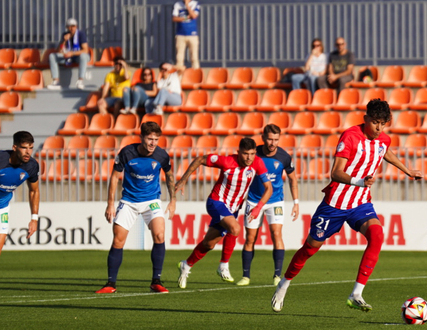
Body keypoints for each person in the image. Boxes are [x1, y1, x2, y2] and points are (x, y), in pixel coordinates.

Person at [271, 99, 423, 313]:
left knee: (377, 235)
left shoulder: (383, 139)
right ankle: (284, 284)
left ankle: (356, 293)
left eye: (383, 123)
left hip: (360, 203)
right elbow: (335, 173)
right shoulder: (350, 137)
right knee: (310, 249)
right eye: (375, 123)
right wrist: (360, 181)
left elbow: (384, 150)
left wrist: (406, 170)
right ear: (366, 119)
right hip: (334, 204)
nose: (379, 128)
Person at [174, 138, 272, 289]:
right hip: (216, 202)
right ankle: (223, 266)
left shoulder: (257, 163)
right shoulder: (226, 161)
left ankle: (186, 265)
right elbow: (200, 159)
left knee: (209, 244)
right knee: (235, 228)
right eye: (246, 154)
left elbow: (269, 188)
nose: (249, 158)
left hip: (232, 209)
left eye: (252, 154)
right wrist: (182, 180)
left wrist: (258, 207)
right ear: (239, 152)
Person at [96, 122, 176, 294]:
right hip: (129, 200)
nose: (153, 143)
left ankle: (156, 281)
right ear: (142, 138)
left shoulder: (161, 155)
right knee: (118, 239)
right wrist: (110, 203)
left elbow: (169, 175)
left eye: (156, 139)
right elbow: (114, 177)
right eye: (150, 139)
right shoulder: (127, 153)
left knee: (159, 235)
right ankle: (111, 284)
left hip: (151, 200)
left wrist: (173, 200)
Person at [219, 123, 299, 286]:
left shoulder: (284, 157)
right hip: (254, 200)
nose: (272, 143)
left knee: (276, 234)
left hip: (275, 200)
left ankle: (277, 275)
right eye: (270, 139)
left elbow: (293, 179)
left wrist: (296, 202)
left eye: (276, 139)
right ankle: (246, 276)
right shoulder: (254, 155)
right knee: (250, 238)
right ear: (263, 138)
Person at [0, 131, 41, 258]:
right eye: (24, 147)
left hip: (2, 207)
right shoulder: (1, 160)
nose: (28, 152)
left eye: (31, 148)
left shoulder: (32, 166)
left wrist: (34, 218)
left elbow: (34, 191)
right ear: (14, 147)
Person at [48, 18, 91, 90]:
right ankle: (56, 81)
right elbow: (59, 51)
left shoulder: (80, 34)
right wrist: (64, 41)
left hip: (78, 56)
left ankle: (80, 80)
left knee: (83, 56)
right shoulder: (65, 35)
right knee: (52, 56)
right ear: (67, 27)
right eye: (69, 26)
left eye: (73, 26)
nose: (71, 28)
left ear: (76, 26)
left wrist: (72, 53)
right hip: (68, 57)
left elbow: (85, 50)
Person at [172, 0, 200, 70]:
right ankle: (179, 77)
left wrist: (187, 5)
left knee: (194, 57)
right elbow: (174, 18)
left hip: (192, 34)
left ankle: (196, 76)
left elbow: (194, 16)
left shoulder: (196, 3)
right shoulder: (177, 4)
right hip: (180, 34)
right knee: (179, 58)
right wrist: (185, 18)